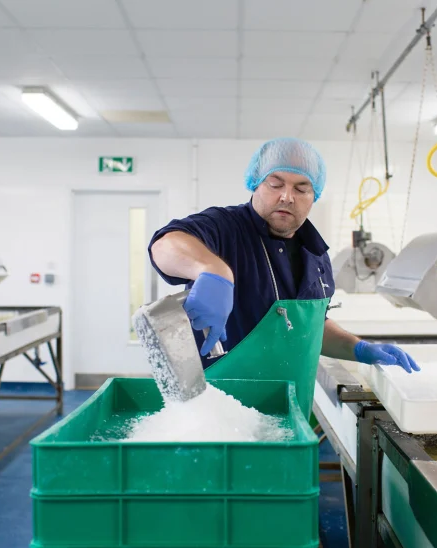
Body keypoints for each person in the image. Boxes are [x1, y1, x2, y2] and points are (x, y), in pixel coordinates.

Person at [148, 137, 419, 418]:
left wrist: (359, 349)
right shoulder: (224, 229)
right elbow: (165, 245)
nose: (287, 196)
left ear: (315, 196)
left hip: (289, 415)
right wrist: (212, 270)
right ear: (256, 183)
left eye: (301, 189)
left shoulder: (316, 255)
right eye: (275, 184)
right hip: (217, 414)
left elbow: (308, 328)